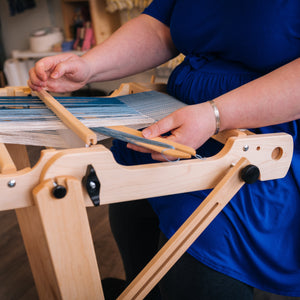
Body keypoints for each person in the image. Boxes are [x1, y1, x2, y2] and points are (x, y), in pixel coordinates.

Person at [29, 1, 300, 299]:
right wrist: (89, 66)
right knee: (132, 215)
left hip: (265, 141)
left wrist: (216, 115)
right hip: (179, 125)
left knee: (194, 254)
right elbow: (160, 28)